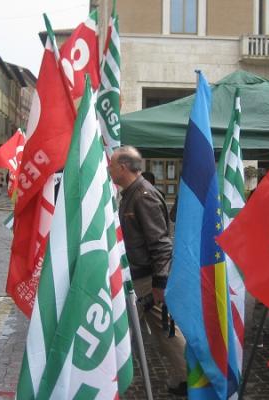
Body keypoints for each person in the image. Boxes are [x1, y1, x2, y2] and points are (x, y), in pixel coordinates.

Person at [108, 146, 187, 395]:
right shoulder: (132, 193)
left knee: (122, 331)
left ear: (122, 167)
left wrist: (160, 283)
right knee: (165, 330)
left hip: (145, 279)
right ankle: (188, 376)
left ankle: (109, 382)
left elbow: (161, 243)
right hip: (139, 275)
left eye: (111, 165)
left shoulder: (143, 195)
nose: (108, 169)